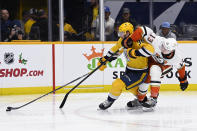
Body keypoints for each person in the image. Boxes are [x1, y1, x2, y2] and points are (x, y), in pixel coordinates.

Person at [122, 26, 189, 109]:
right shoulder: (158, 41)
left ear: (172, 51)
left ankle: (153, 98)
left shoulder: (177, 57)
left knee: (155, 70)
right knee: (144, 80)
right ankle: (140, 100)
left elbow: (181, 67)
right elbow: (143, 29)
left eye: (166, 50)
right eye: (163, 47)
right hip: (151, 60)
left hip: (165, 66)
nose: (162, 49)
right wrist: (131, 39)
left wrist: (183, 80)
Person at [97, 22, 155, 110]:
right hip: (129, 69)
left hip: (140, 72)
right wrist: (105, 60)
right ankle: (142, 100)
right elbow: (115, 50)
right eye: (119, 33)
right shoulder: (122, 40)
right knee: (131, 88)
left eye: (122, 33)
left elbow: (150, 50)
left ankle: (109, 101)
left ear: (128, 32)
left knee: (117, 84)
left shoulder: (139, 41)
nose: (120, 35)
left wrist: (135, 53)